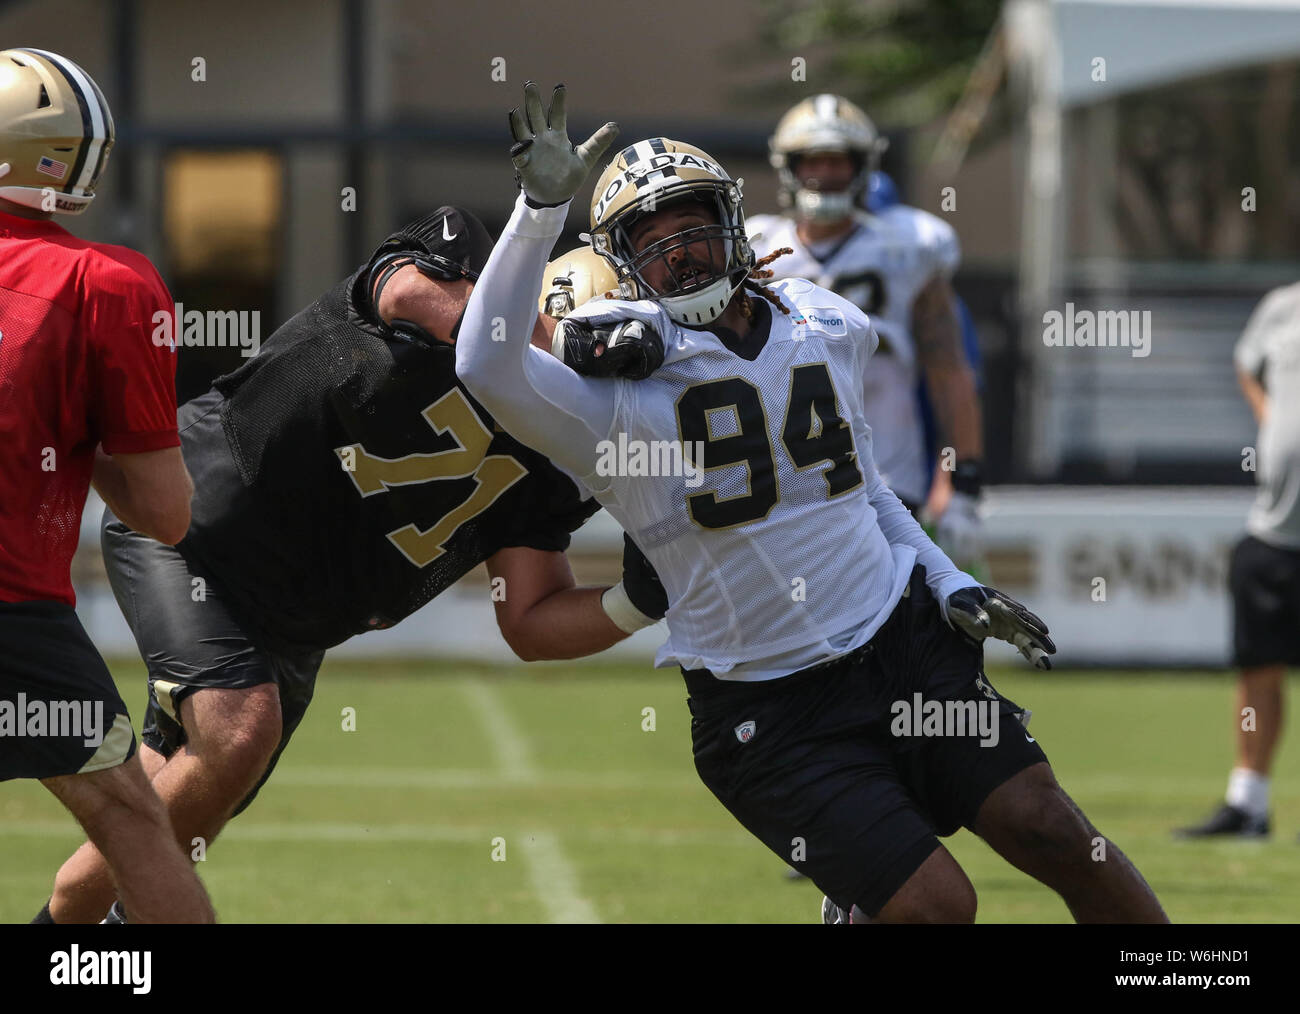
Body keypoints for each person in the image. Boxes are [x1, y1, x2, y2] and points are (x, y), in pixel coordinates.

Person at [456, 81, 1169, 923]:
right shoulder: (605, 395)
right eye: (653, 242)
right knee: (938, 908)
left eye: (691, 226)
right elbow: (484, 363)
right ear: (622, 265)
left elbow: (866, 490)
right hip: (769, 705)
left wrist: (947, 581)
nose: (680, 252)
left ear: (733, 223)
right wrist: (539, 208)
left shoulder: (825, 322)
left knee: (1053, 829)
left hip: (903, 646)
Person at [35, 199, 666, 924]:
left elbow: (527, 618)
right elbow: (403, 291)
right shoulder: (454, 265)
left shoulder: (558, 463)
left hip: (297, 626)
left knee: (151, 821)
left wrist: (635, 602)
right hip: (194, 527)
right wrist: (555, 350)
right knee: (239, 731)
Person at [0, 47, 214, 923]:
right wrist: (82, 437)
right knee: (128, 820)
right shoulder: (106, 282)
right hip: (13, 612)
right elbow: (166, 516)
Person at [746, 95, 984, 569]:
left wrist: (964, 484)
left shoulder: (907, 244)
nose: (825, 173)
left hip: (889, 464)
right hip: (786, 465)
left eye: (837, 161)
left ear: (862, 168)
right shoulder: (758, 246)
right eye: (813, 160)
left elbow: (949, 370)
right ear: (789, 167)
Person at [1177, 282, 1300, 839]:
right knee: (1258, 668)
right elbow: (1246, 363)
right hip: (1272, 530)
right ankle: (1248, 804)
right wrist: (1271, 419)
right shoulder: (1282, 306)